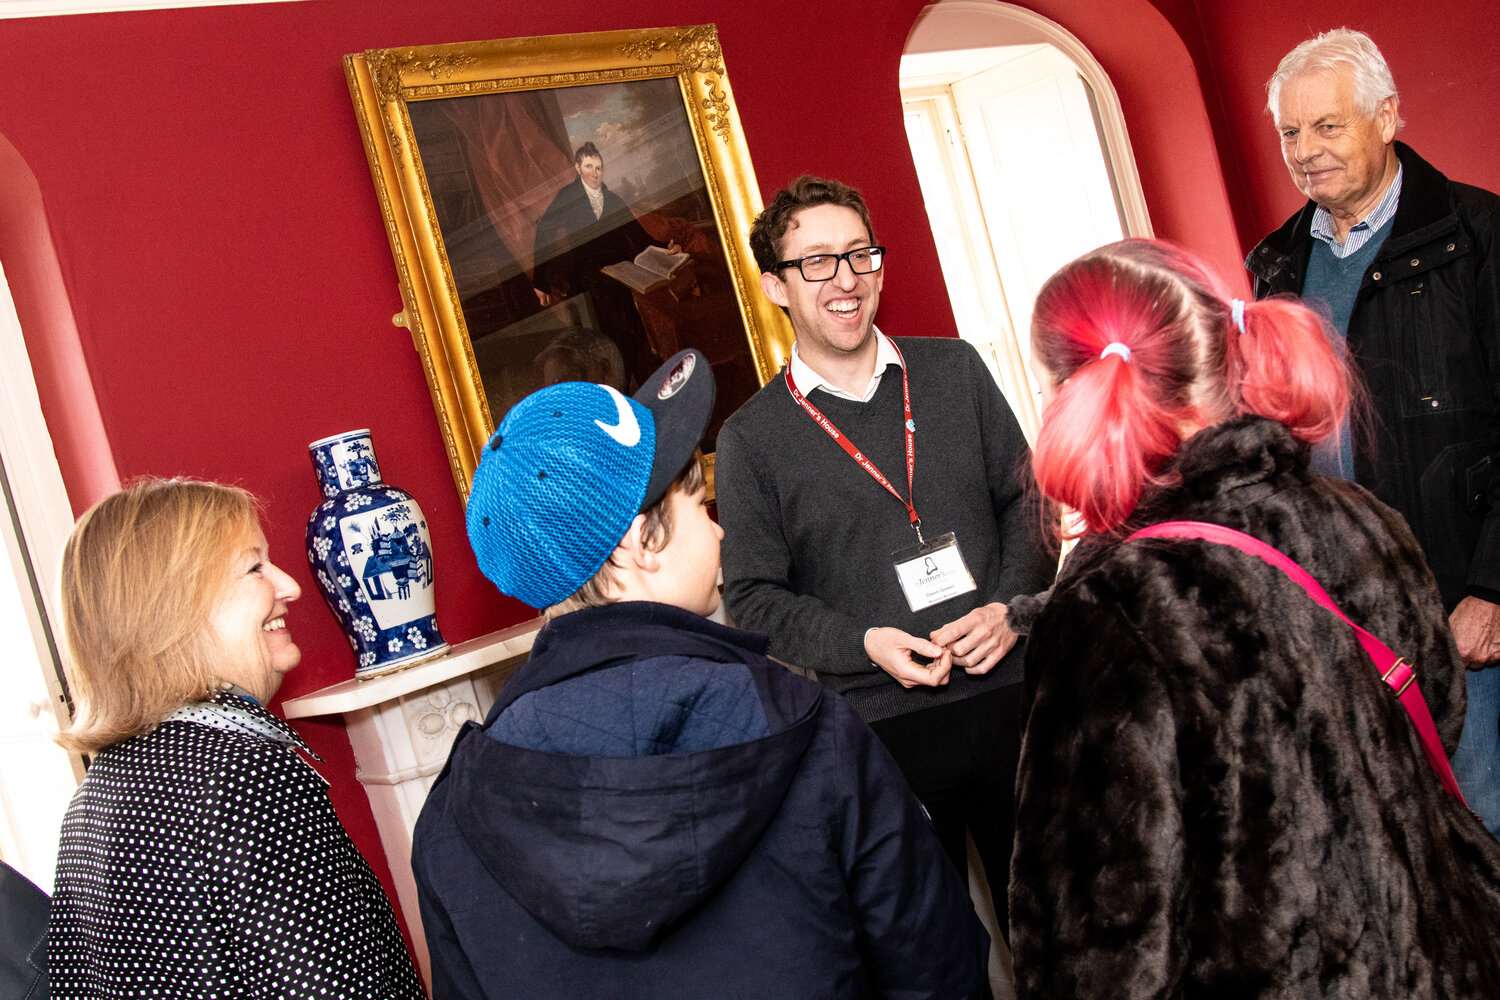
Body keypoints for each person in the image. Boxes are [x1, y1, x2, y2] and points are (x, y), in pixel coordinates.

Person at [412, 349, 990, 999]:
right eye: (695, 502)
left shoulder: (450, 820)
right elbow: (940, 969)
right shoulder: (807, 730)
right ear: (637, 543)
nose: (718, 536)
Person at [1010, 238, 1500, 998]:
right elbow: (1436, 715)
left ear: (1078, 389)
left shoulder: (1111, 602)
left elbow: (1098, 936)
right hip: (1448, 958)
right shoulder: (1362, 519)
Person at [714, 175, 1054, 926]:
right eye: (817, 262)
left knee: (1061, 931)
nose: (846, 279)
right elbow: (755, 598)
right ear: (776, 286)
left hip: (1013, 699)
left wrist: (1009, 608)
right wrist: (864, 643)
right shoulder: (750, 440)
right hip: (879, 731)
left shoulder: (955, 370)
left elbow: (1029, 501)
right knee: (934, 963)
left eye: (860, 253)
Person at [1247, 28, 1500, 833]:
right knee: (1410, 835)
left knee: (1488, 817)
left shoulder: (1479, 238)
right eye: (1291, 131)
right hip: (1347, 617)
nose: (1306, 151)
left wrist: (1494, 588)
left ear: (1385, 117)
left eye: (1328, 126)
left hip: (1463, 602)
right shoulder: (1276, 266)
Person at [47, 479, 423, 999]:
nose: (289, 586)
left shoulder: (93, 799)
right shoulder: (246, 777)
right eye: (255, 568)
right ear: (171, 612)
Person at [532, 142, 678, 389]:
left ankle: (641, 390)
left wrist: (665, 249)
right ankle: (618, 392)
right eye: (589, 166)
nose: (595, 173)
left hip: (619, 274)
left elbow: (634, 232)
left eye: (598, 167)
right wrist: (539, 282)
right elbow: (544, 233)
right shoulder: (567, 197)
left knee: (633, 332)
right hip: (588, 277)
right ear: (578, 168)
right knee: (606, 339)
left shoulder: (611, 197)